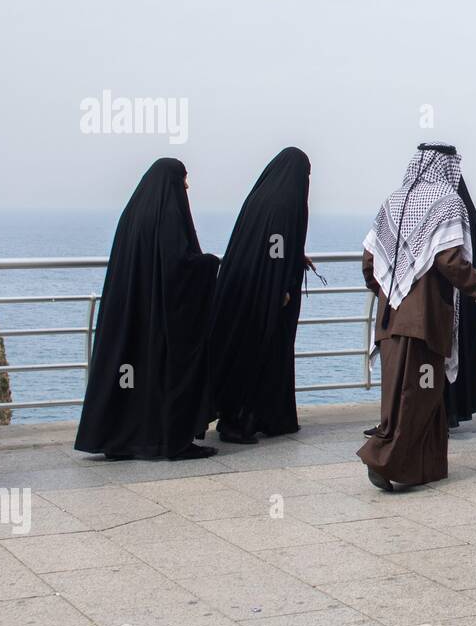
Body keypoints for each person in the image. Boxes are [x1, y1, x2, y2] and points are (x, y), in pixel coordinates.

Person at [358, 143, 476, 491]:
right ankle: (382, 458)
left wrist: (386, 294)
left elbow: (368, 259)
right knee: (416, 395)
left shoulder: (394, 200)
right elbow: (450, 262)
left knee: (412, 394)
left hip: (390, 316)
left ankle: (428, 466)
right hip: (423, 320)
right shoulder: (447, 201)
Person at [75, 159, 219, 461]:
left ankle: (121, 439)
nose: (187, 186)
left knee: (130, 372)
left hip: (130, 313)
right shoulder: (168, 214)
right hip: (160, 318)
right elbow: (178, 267)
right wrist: (209, 263)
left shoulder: (135, 213)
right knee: (164, 371)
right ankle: (173, 442)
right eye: (183, 179)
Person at [207, 147, 312, 444]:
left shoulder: (261, 198)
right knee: (262, 351)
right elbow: (275, 250)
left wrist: (297, 258)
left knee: (249, 349)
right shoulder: (286, 204)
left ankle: (258, 415)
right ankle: (244, 420)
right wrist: (280, 290)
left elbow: (266, 245)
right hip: (267, 295)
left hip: (245, 289)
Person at [443, 174, 476, 428]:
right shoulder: (465, 208)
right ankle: (451, 412)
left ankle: (438, 415)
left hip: (444, 300)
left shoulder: (447, 207)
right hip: (464, 297)